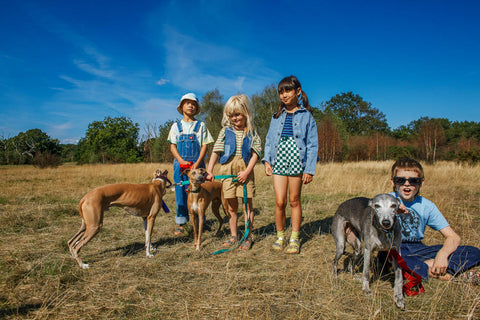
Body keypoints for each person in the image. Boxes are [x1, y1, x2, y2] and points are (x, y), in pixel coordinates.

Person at [389, 157, 480, 281]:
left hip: (418, 248)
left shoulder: (427, 206)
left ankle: (423, 267)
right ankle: (450, 276)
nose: (407, 184)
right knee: (390, 258)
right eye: (400, 180)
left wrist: (442, 255)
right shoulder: (383, 200)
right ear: (393, 182)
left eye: (414, 180)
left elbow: (453, 237)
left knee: (473, 252)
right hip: (392, 247)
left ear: (421, 182)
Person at [262, 75, 319, 254]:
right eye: (281, 92)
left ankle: (294, 238)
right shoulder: (276, 116)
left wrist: (309, 169)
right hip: (278, 159)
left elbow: (312, 144)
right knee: (280, 201)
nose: (284, 95)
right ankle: (280, 237)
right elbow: (269, 140)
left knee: (294, 200)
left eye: (287, 90)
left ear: (298, 92)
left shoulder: (307, 116)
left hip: (297, 160)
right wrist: (266, 161)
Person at [206, 94, 261, 250]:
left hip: (245, 170)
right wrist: (210, 170)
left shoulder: (252, 132)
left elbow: (255, 154)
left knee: (247, 207)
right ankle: (233, 235)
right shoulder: (225, 132)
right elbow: (216, 151)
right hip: (227, 169)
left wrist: (247, 172)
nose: (234, 118)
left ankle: (247, 237)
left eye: (237, 114)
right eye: (231, 115)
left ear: (246, 112)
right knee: (231, 207)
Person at [168, 93, 214, 236]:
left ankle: (202, 220)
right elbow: (172, 146)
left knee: (201, 192)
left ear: (197, 108)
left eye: (193, 104)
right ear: (181, 107)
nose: (190, 106)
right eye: (187, 103)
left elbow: (205, 145)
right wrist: (181, 161)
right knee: (181, 193)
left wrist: (198, 163)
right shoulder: (176, 126)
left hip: (197, 164)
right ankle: (181, 223)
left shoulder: (201, 126)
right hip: (180, 166)